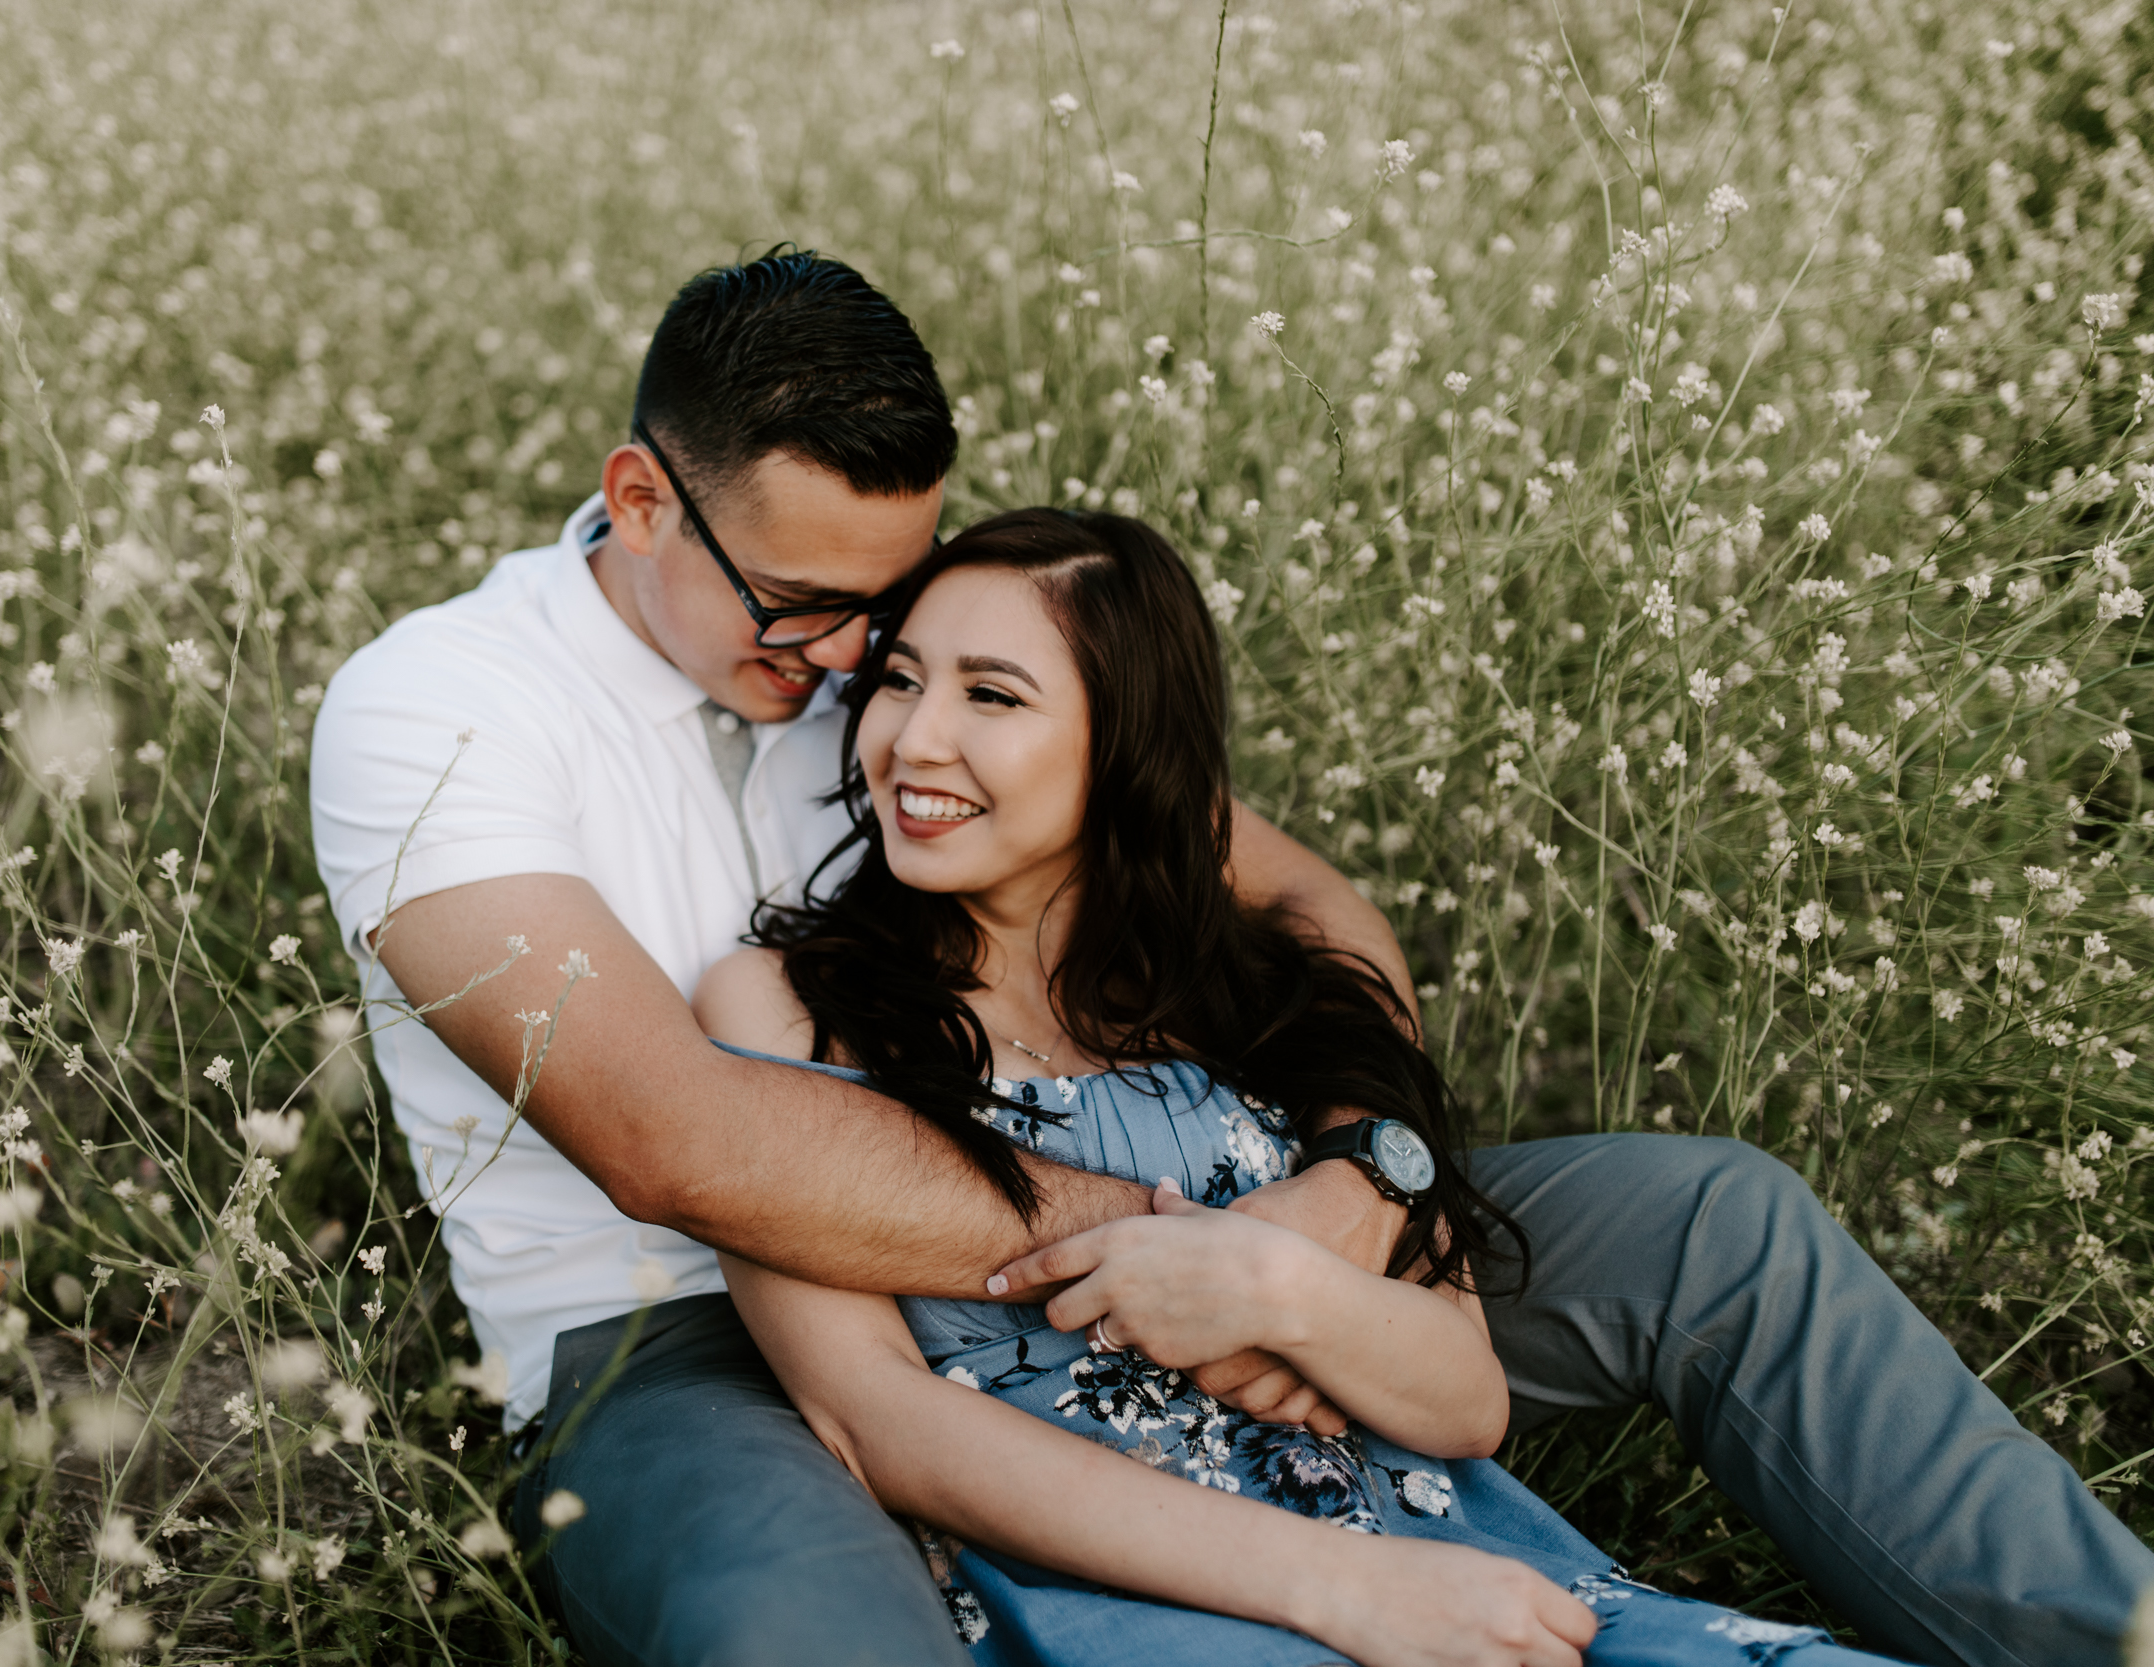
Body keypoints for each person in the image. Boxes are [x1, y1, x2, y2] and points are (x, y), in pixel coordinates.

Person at [308, 248, 2152, 1667]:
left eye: (897, 595)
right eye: (805, 610)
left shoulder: (906, 662)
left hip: (1187, 1213)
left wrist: (1352, 1187)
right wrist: (1180, 1259)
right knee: (808, 1625)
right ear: (641, 502)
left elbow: (1317, 913)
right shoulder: (438, 711)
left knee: (1711, 1224)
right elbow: (679, 1140)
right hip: (681, 1325)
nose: (860, 662)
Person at [694, 506, 1917, 1665]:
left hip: (1464, 1571)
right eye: (899, 679)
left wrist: (1280, 1286)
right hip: (1147, 1605)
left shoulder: (1254, 997)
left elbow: (1464, 1394)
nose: (913, 738)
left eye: (991, 696)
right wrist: (1346, 1589)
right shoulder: (784, 1008)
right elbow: (875, 1418)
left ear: (1124, 746)